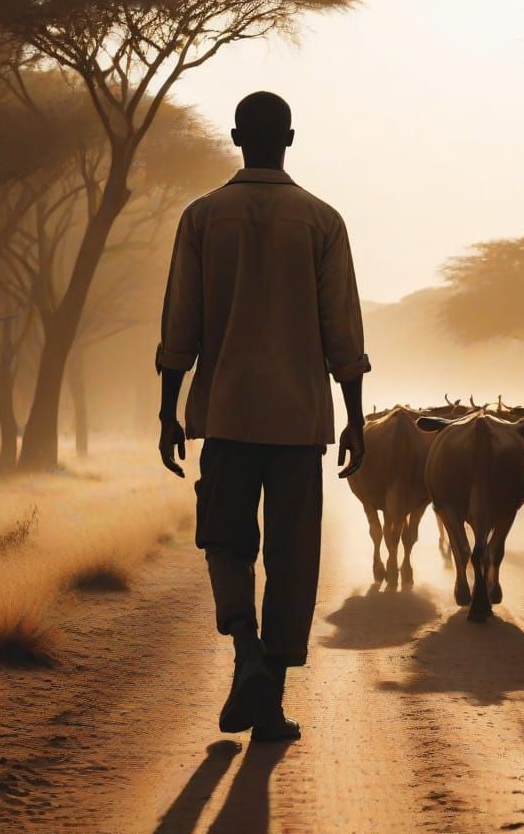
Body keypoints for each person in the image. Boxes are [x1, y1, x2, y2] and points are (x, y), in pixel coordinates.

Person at [156, 91, 369, 742]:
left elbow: (180, 325)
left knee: (225, 540)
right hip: (299, 419)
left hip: (224, 412)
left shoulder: (201, 217)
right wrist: (355, 419)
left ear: (234, 136)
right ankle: (270, 701)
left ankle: (245, 649)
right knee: (292, 556)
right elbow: (343, 334)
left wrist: (169, 412)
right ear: (291, 138)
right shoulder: (322, 220)